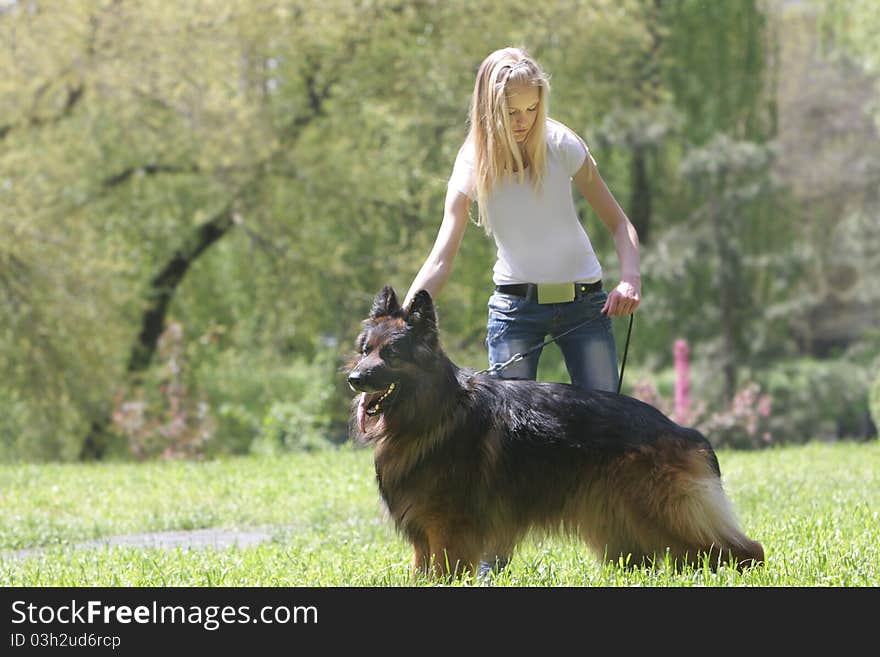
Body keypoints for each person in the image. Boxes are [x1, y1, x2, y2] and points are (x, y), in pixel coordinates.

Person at [403, 46, 641, 577]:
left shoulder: (562, 145)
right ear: (489, 108)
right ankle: (495, 563)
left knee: (608, 431)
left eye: (532, 108)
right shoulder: (471, 163)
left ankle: (627, 552)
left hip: (584, 304)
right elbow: (443, 254)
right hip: (515, 309)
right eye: (512, 111)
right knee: (502, 442)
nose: (524, 120)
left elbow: (621, 226)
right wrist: (407, 315)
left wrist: (630, 277)